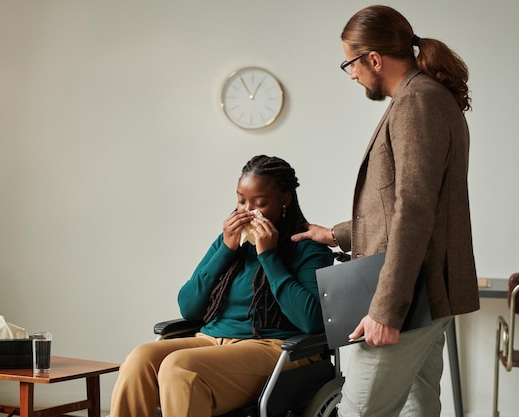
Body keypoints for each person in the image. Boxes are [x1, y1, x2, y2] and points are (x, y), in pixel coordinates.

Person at [291, 5, 480, 416]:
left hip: (410, 297)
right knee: (419, 406)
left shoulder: (417, 102)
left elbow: (413, 210)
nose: (352, 74)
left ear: (373, 59)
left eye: (350, 64)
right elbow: (402, 203)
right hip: (430, 293)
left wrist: (385, 309)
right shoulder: (427, 97)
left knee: (360, 410)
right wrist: (336, 234)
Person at [110, 155, 334, 417]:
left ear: (284, 200)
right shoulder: (229, 243)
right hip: (211, 342)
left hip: (274, 348)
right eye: (241, 201)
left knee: (179, 367)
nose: (247, 211)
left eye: (258, 203)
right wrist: (226, 250)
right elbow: (189, 308)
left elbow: (311, 321)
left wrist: (269, 257)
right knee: (140, 358)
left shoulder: (307, 247)